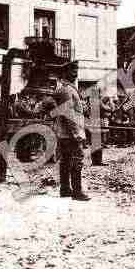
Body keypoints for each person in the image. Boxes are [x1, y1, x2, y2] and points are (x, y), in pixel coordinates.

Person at [54, 61, 90, 201]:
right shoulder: (66, 90)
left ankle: (65, 189)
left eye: (76, 71)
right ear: (64, 73)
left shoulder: (68, 88)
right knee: (76, 160)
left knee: (66, 160)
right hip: (69, 133)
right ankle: (77, 191)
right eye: (72, 71)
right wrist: (77, 134)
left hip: (66, 133)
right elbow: (69, 113)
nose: (75, 74)